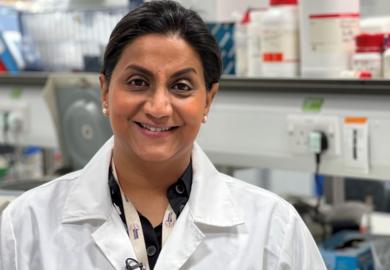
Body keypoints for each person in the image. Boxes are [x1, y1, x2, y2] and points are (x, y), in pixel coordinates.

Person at [0, 1, 327, 269]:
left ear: (207, 101)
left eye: (181, 86)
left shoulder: (274, 230)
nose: (158, 107)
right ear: (104, 92)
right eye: (138, 82)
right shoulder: (27, 224)